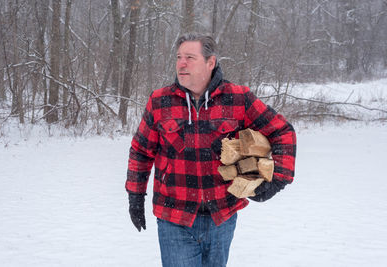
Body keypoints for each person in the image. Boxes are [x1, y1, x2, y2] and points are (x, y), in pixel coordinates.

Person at [126, 32, 296, 267]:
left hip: (222, 217)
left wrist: (278, 179)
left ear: (210, 62)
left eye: (189, 57)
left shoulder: (238, 98)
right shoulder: (160, 101)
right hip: (174, 216)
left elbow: (282, 131)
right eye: (178, 57)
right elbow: (141, 152)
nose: (181, 63)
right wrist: (135, 196)